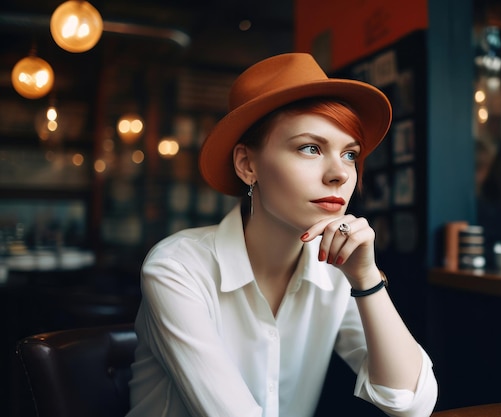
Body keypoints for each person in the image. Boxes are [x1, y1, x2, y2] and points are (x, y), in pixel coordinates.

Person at [126, 53, 437, 417]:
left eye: (350, 154)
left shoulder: (335, 273)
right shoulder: (178, 267)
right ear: (247, 165)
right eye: (310, 148)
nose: (339, 173)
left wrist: (366, 279)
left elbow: (410, 402)